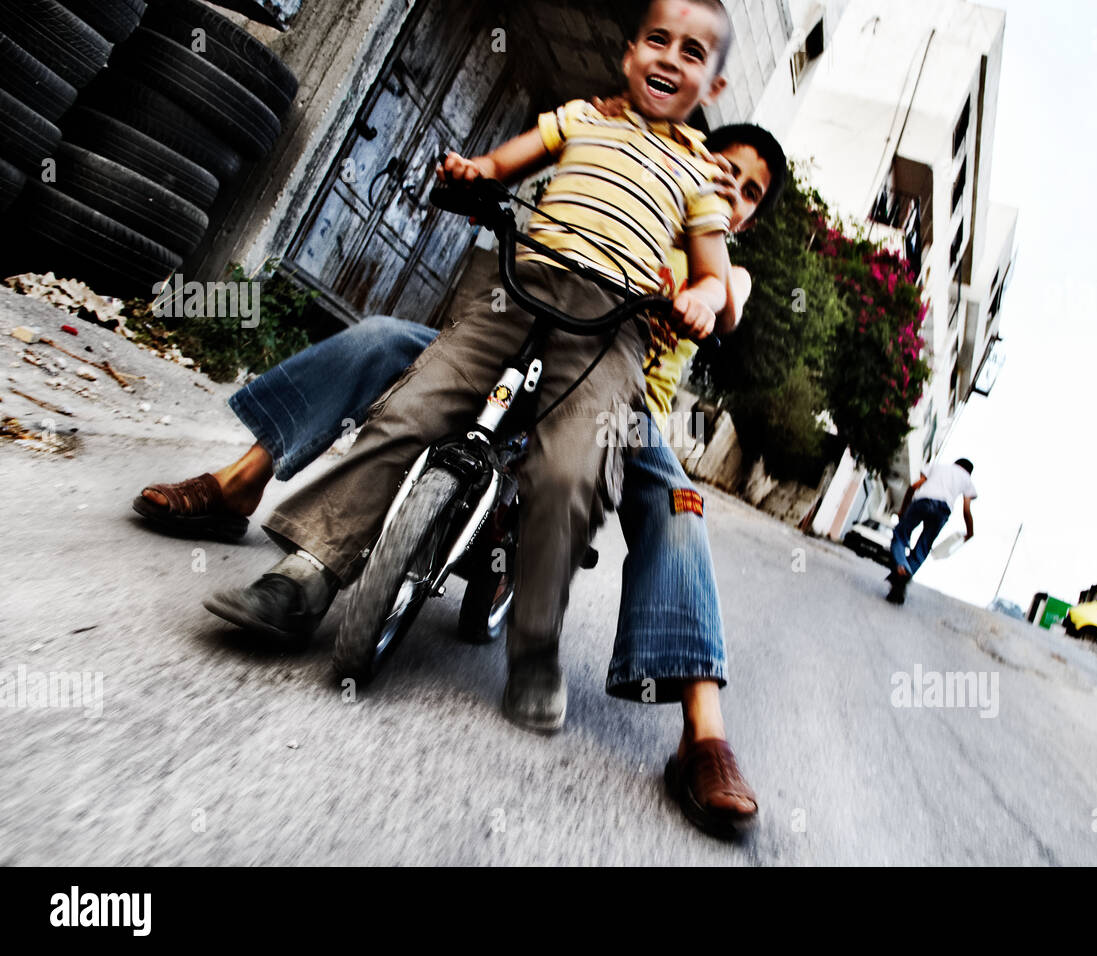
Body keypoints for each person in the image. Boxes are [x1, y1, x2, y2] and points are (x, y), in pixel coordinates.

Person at [194, 1, 770, 835]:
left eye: (752, 192)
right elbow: (516, 164)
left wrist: (703, 293)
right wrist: (480, 176)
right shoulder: (602, 132)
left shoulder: (704, 218)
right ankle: (255, 498)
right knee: (393, 348)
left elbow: (725, 291)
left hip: (618, 389)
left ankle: (703, 732)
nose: (736, 191)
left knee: (670, 500)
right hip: (526, 299)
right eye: (732, 172)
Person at [886, 458, 976, 605]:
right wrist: (970, 531)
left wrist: (903, 509)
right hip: (943, 510)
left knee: (900, 535)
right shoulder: (967, 480)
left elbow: (915, 485)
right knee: (923, 547)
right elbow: (966, 509)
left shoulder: (937, 466)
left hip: (923, 501)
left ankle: (901, 568)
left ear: (955, 463)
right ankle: (903, 577)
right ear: (969, 472)